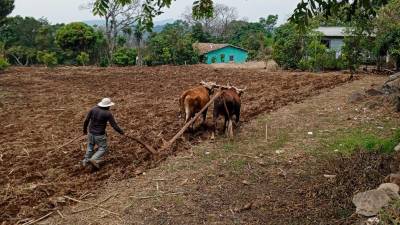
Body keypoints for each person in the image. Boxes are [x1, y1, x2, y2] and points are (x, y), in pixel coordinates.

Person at [82, 97, 124, 168]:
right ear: (108, 106)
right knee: (103, 148)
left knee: (90, 146)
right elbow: (114, 125)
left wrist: (84, 130)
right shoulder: (107, 113)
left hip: (91, 133)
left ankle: (85, 161)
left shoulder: (93, 109)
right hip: (99, 135)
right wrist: (121, 132)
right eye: (109, 106)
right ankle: (94, 159)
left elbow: (86, 120)